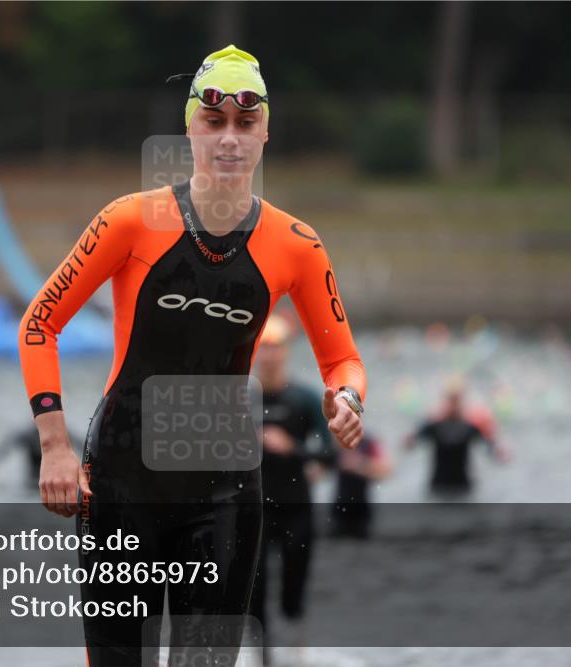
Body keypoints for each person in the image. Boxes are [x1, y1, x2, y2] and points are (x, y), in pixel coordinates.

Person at [18, 45, 366, 665]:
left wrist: (348, 398)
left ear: (265, 132)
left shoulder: (298, 245)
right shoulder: (129, 221)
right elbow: (40, 323)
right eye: (214, 123)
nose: (229, 140)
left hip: (224, 492)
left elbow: (342, 361)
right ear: (190, 128)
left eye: (245, 124)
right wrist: (54, 444)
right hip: (122, 481)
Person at [247, 315, 334, 662]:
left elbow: (330, 451)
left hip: (297, 505)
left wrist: (294, 450)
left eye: (275, 348)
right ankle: (262, 654)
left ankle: (296, 646)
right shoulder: (238, 400)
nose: (269, 356)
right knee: (256, 586)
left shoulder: (305, 398)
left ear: (285, 352)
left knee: (293, 584)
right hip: (253, 508)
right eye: (263, 348)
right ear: (255, 353)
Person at [403, 379, 507, 498]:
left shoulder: (470, 427)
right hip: (438, 488)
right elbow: (409, 443)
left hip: (463, 488)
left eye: (457, 400)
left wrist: (497, 445)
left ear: (462, 402)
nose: (454, 405)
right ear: (445, 401)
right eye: (451, 400)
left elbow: (494, 449)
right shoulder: (433, 425)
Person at [330, 432, 392, 539]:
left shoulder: (368, 442)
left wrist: (360, 465)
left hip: (361, 510)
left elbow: (386, 469)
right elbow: (318, 470)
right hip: (339, 510)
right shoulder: (337, 442)